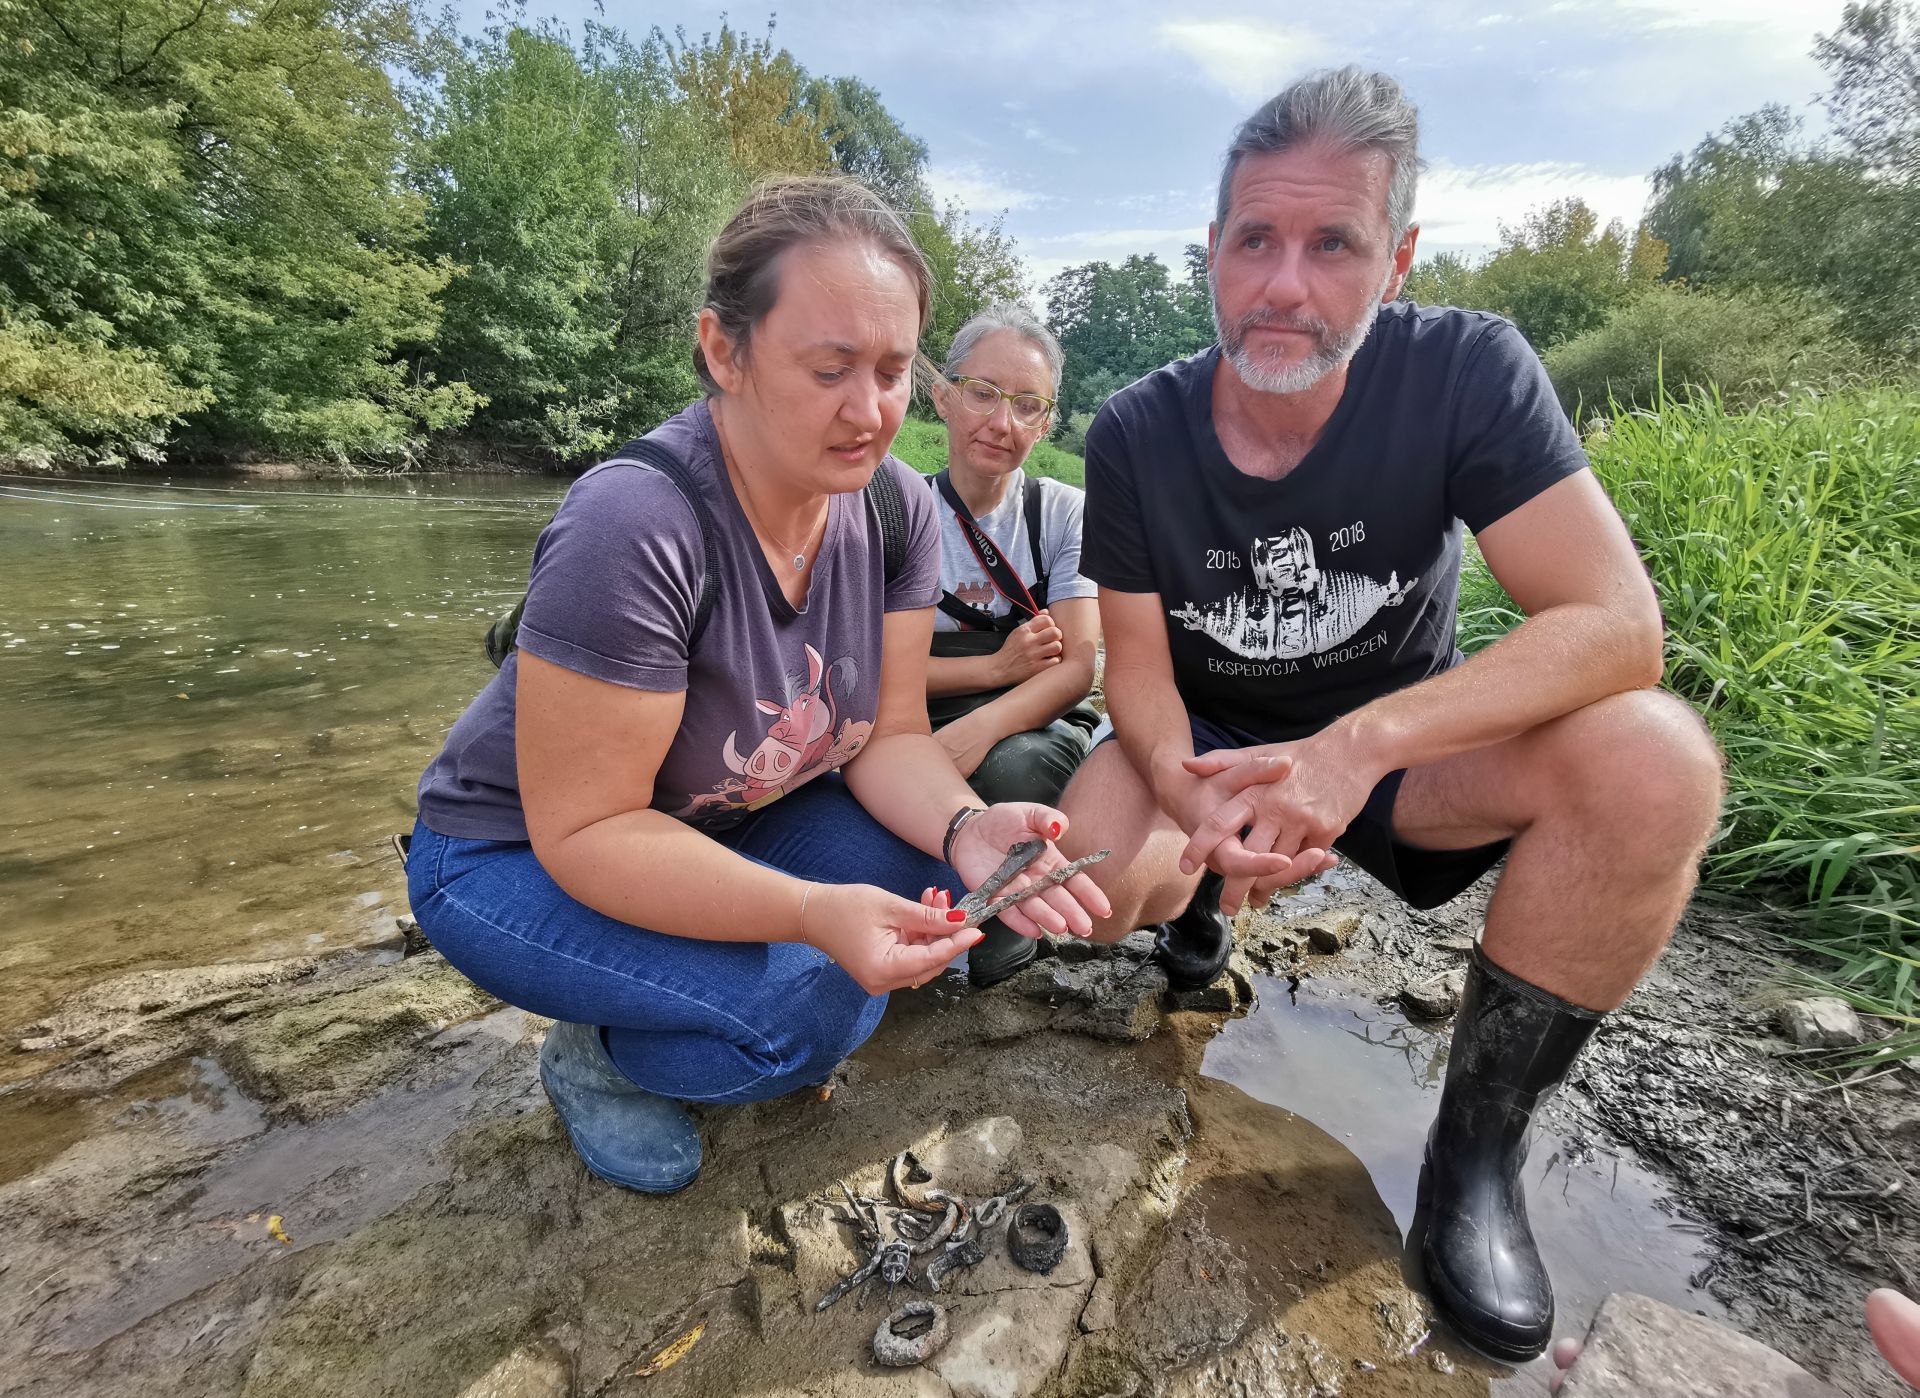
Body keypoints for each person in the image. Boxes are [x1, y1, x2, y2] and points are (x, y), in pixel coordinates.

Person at [1053, 68, 1724, 1362]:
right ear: (1212, 254)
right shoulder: (1136, 427)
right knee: (1096, 869)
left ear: (1398, 259)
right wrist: (1191, 787)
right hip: (1207, 748)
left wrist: (1356, 746)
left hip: (1403, 757)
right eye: (1255, 240)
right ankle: (1193, 911)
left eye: (1332, 244)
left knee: (1657, 759)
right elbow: (1130, 668)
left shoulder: (1466, 371)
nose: (1285, 285)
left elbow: (1614, 623)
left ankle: (1474, 1160)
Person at [405, 176, 1108, 1195]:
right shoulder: (635, 527)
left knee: (945, 883)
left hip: (714, 825)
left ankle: (676, 992)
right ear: (723, 351)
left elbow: (895, 737)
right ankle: (596, 1057)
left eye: (893, 371)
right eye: (829, 369)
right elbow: (588, 830)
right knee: (798, 1021)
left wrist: (968, 827)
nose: (869, 413)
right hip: (515, 857)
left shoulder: (897, 511)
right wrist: (814, 912)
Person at [922, 304, 1102, 988]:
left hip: (1038, 713)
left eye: (1027, 404)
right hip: (924, 703)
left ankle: (1001, 953)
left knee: (1015, 767)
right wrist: (997, 665)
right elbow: (872, 669)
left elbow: (1078, 669)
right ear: (943, 396)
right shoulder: (897, 506)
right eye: (983, 394)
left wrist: (974, 731)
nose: (1002, 422)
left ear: (1047, 422)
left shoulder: (1062, 512)